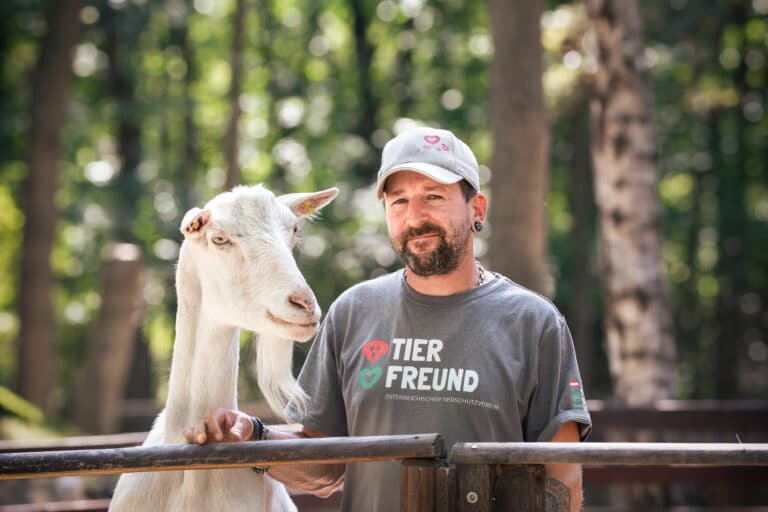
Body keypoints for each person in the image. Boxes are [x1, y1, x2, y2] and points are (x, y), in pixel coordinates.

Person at [185, 126, 592, 511]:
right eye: (399, 201)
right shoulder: (354, 313)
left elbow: (564, 479)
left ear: (477, 208)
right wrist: (252, 435)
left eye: (433, 196)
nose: (415, 217)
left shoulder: (534, 324)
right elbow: (324, 466)